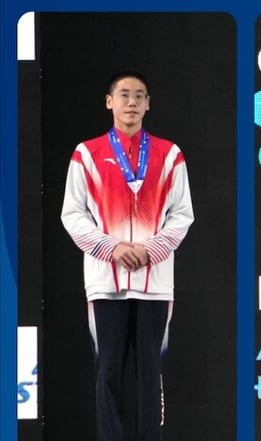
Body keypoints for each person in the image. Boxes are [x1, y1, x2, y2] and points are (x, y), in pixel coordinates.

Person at [61, 69, 194, 441]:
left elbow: (183, 214)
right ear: (109, 102)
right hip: (106, 281)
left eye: (139, 95)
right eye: (124, 95)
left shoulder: (170, 155)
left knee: (151, 374)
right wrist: (113, 248)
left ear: (148, 104)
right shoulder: (87, 154)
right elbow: (72, 213)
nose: (131, 102)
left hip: (154, 283)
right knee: (108, 373)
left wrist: (150, 250)